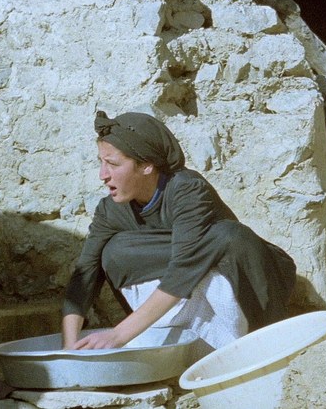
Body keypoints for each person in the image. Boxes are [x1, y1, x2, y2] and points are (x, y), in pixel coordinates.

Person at [62, 111, 297, 351]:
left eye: (112, 164)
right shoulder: (110, 210)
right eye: (101, 163)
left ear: (146, 165)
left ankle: (261, 343)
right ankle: (176, 341)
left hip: (238, 285)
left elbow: (184, 267)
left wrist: (119, 335)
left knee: (229, 235)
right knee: (115, 251)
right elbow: (85, 273)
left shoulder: (187, 189)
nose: (103, 175)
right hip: (183, 293)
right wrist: (69, 350)